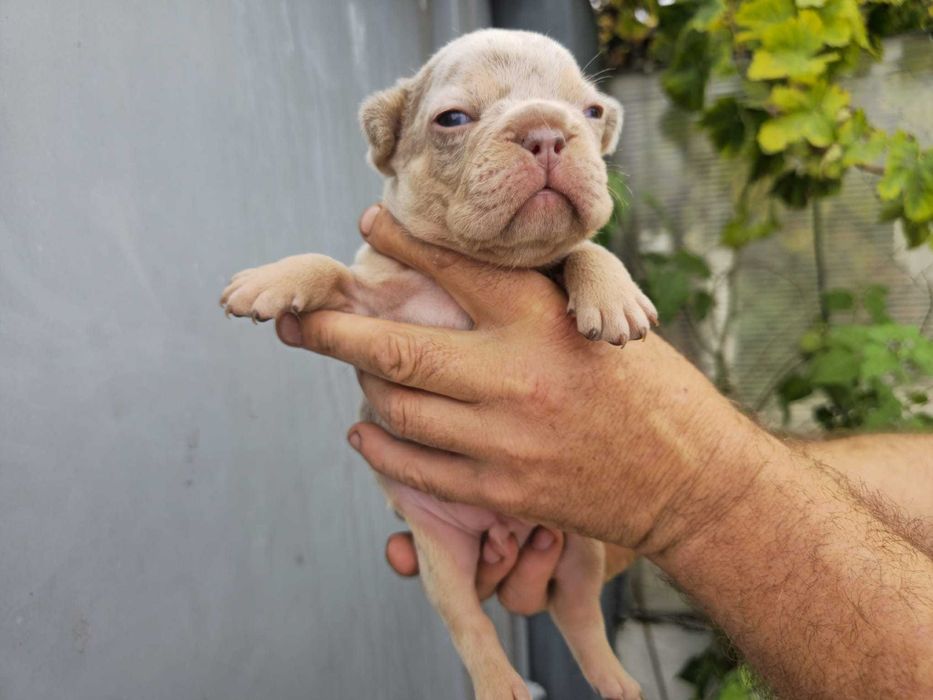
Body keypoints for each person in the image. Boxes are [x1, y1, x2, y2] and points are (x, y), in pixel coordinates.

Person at [274, 205, 933, 698]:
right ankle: (485, 656)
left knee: (577, 585)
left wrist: (690, 491)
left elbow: (582, 262)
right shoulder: (401, 249)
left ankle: (585, 649)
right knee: (454, 563)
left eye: (586, 116)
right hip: (446, 506)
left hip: (526, 518)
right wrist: (631, 496)